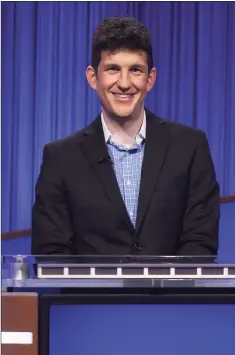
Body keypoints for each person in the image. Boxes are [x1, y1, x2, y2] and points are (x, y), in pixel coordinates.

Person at [31, 17, 220, 257]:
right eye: (112, 69)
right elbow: (51, 251)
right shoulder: (61, 158)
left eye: (135, 70)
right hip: (89, 295)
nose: (123, 83)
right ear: (93, 77)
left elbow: (201, 241)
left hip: (172, 294)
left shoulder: (190, 146)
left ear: (150, 79)